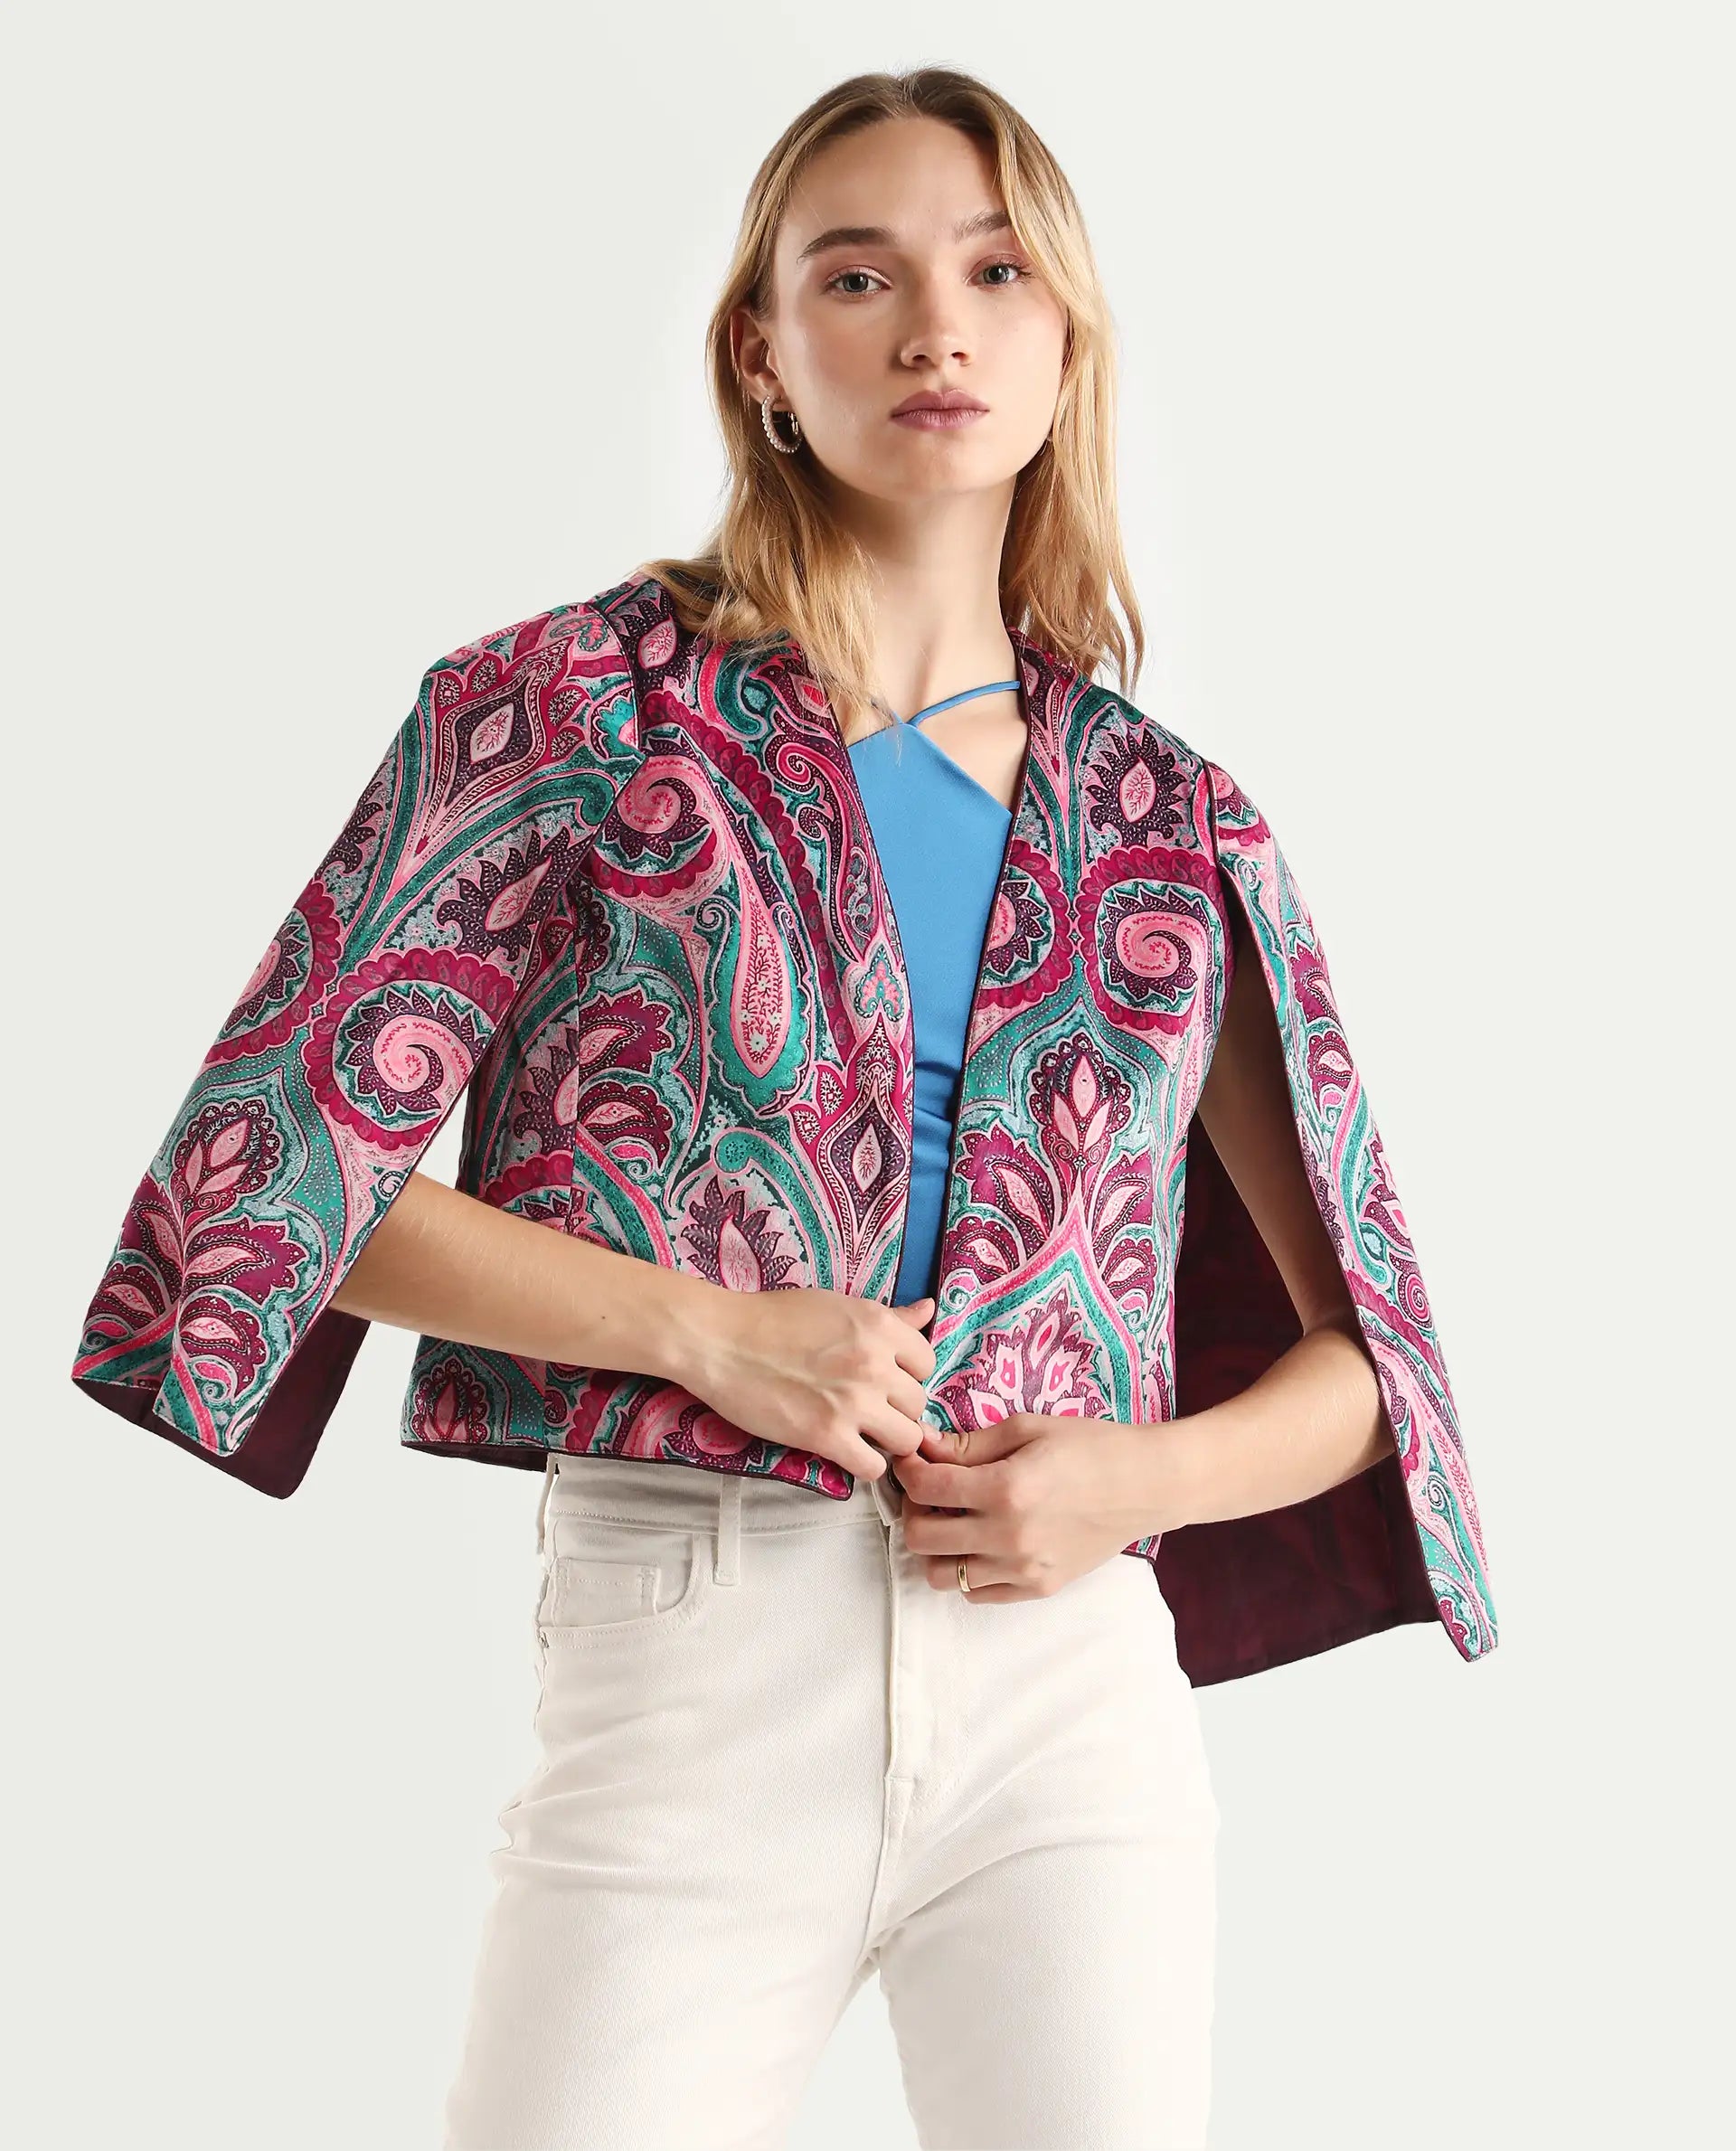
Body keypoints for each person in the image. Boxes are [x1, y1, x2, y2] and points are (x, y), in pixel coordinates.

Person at [71, 66, 1497, 2151]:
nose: (936, 328)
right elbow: (282, 1176)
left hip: (1073, 1691)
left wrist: (1137, 1479)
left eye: (996, 272)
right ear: (760, 349)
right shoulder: (564, 708)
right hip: (694, 1640)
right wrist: (709, 1329)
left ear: (1066, 338)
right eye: (859, 275)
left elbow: (1371, 1366)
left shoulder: (1173, 822)